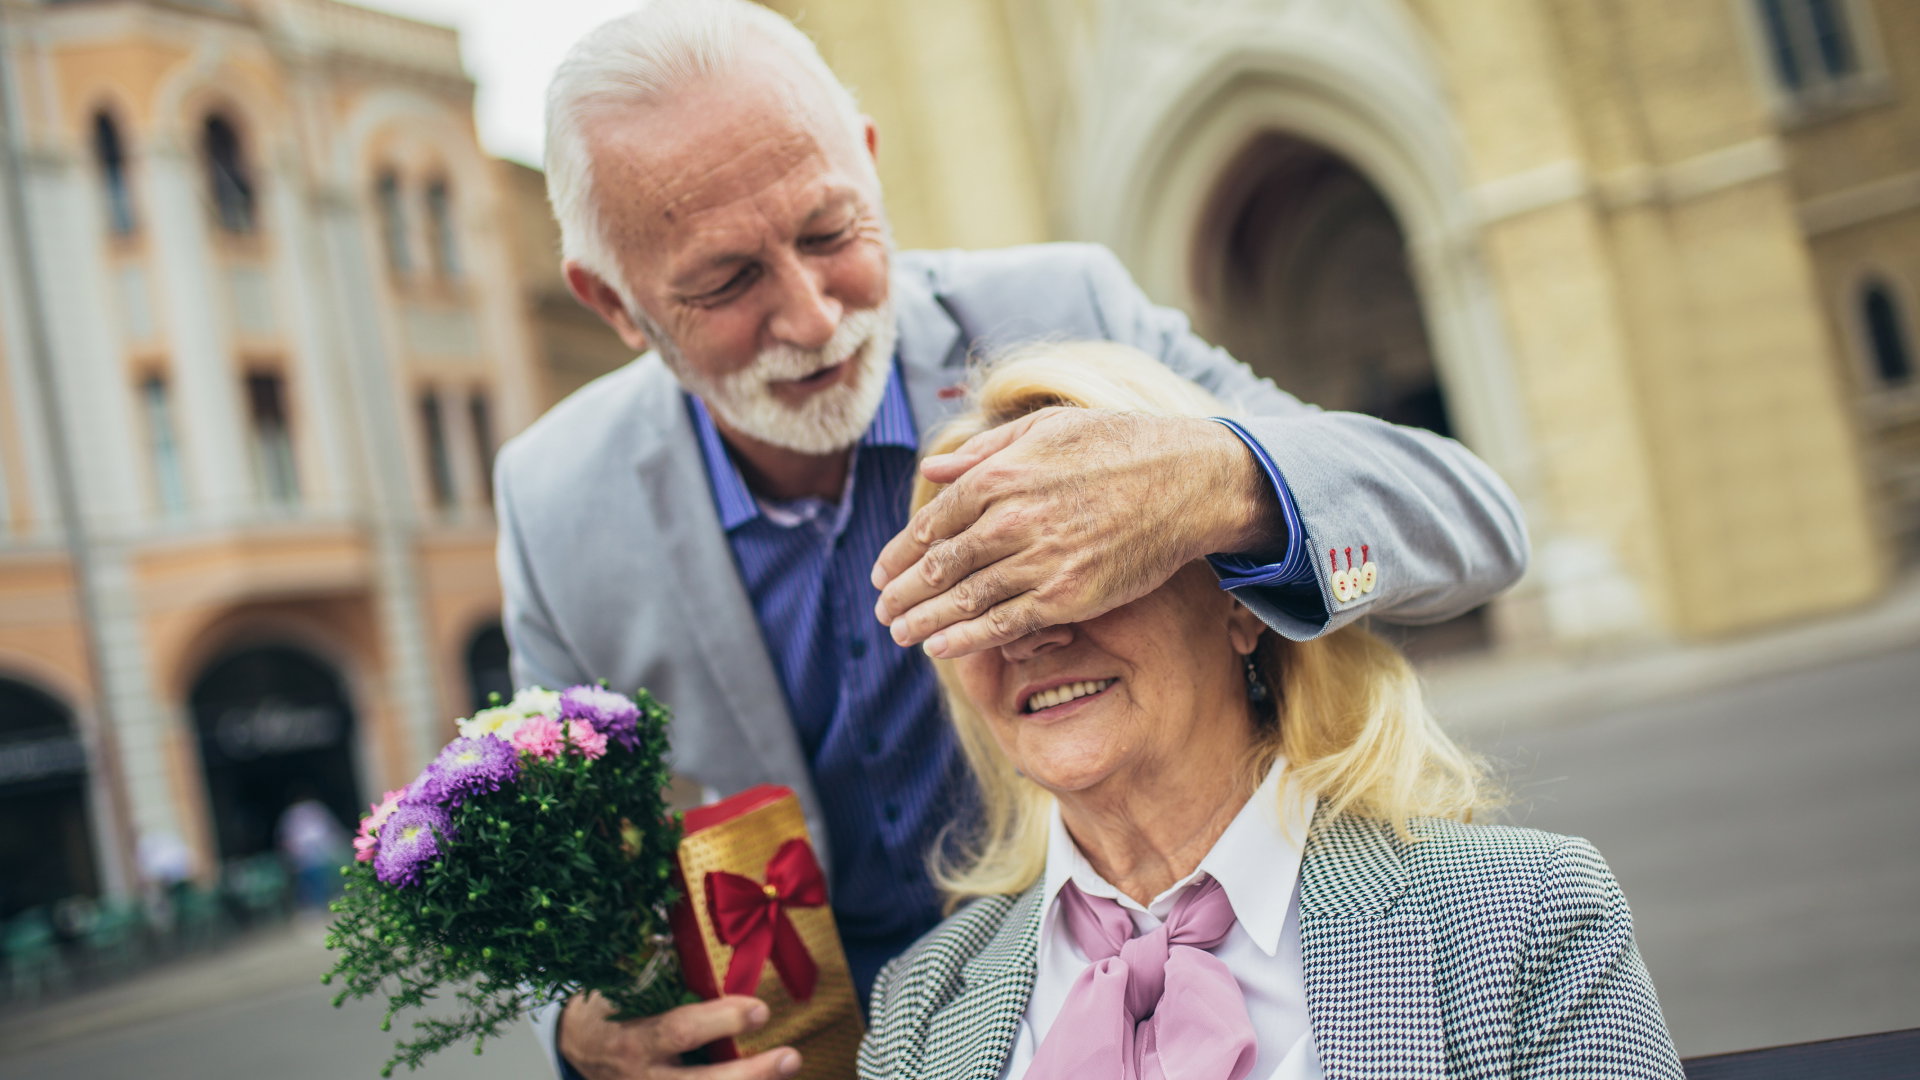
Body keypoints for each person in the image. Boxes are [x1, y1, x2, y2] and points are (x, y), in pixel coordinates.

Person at [500, 2, 1529, 1077]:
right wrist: (575, 1024)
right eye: (726, 283)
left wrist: (1221, 480)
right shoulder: (552, 497)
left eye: (830, 233)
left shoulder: (1065, 308)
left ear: (868, 157)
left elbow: (1473, 525)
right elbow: (555, 855)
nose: (811, 317)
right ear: (613, 304)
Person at [858, 343, 1680, 1080]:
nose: (1031, 633)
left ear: (1241, 604)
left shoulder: (1524, 919)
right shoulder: (916, 1015)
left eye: (1080, 564)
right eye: (976, 585)